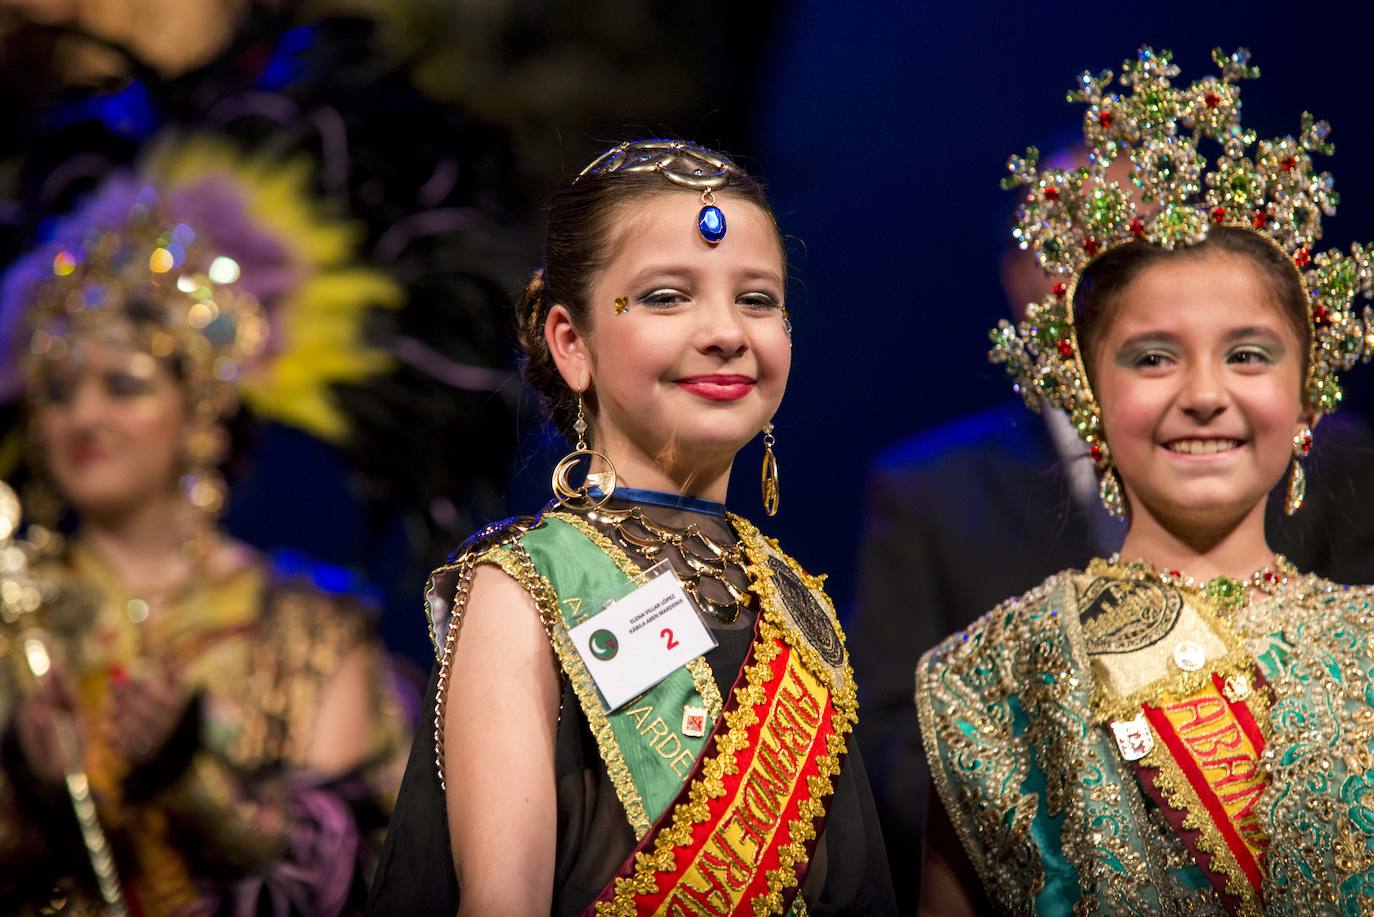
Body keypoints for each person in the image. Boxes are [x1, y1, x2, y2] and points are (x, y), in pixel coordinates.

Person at [369, 139, 896, 916]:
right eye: (665, 297)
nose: (726, 331)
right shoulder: (527, 584)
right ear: (571, 343)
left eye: (756, 299)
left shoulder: (794, 601)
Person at [917, 47, 1374, 914]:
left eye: (1247, 354)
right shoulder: (992, 674)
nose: (1204, 395)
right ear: (1091, 396)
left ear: (1306, 392)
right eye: (1154, 357)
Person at [0, 140, 409, 915]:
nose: (84, 415)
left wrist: (189, 775)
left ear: (201, 416)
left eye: (123, 384)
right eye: (56, 390)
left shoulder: (308, 625)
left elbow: (358, 871)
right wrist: (34, 788)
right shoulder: (11, 618)